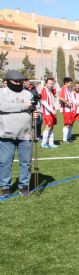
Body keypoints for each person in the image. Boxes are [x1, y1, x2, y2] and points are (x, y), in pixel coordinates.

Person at [0, 70, 39, 198]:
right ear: (8, 81)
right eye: (15, 81)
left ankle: (24, 185)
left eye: (20, 81)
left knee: (26, 162)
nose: (18, 83)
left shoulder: (28, 94)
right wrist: (23, 106)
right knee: (5, 162)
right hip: (6, 134)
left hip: (26, 134)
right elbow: (3, 106)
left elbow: (33, 108)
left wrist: (35, 114)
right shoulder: (2, 93)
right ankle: (5, 186)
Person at [39, 77, 58, 149]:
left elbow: (56, 90)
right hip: (48, 112)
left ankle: (51, 143)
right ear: (46, 83)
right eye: (49, 83)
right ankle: (43, 144)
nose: (51, 85)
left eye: (52, 83)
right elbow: (44, 102)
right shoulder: (44, 90)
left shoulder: (50, 90)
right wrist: (51, 110)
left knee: (52, 127)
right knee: (48, 127)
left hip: (52, 111)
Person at [59, 77, 74, 142]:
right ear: (66, 83)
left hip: (69, 109)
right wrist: (67, 103)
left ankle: (68, 137)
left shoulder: (67, 89)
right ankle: (65, 139)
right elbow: (61, 98)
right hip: (66, 109)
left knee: (69, 124)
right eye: (70, 83)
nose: (71, 84)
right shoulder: (63, 89)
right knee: (67, 124)